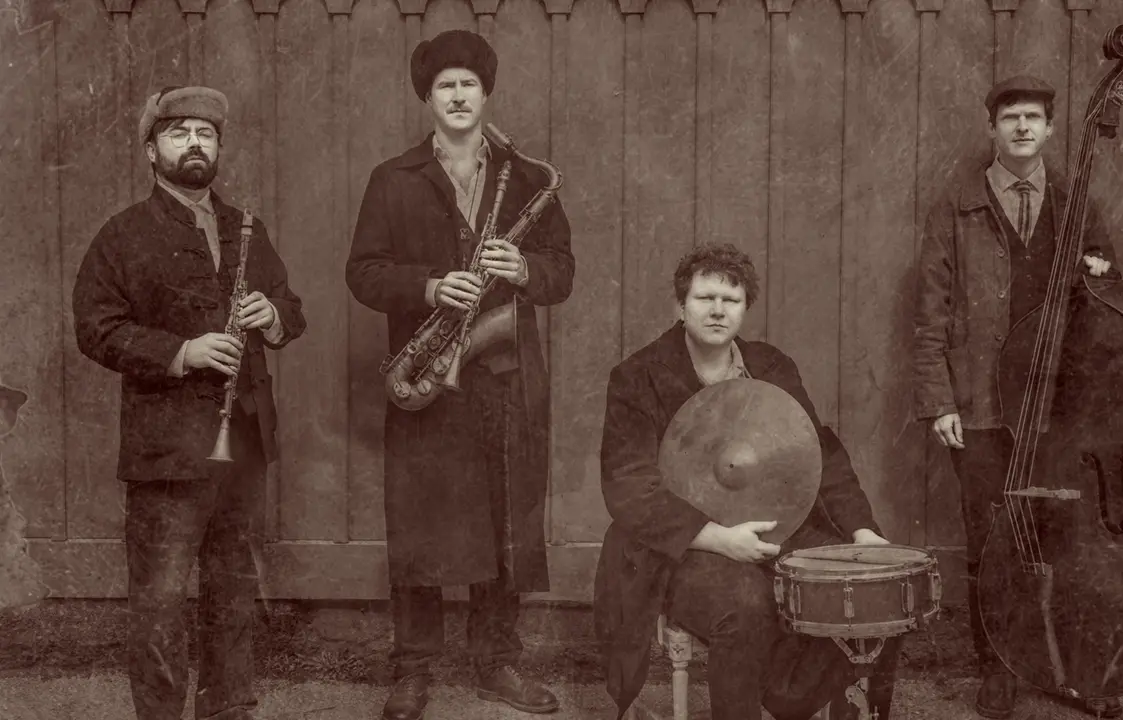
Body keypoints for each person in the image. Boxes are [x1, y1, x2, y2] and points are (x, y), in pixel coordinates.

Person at [345, 29, 575, 719]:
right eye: (444, 85)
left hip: (504, 378)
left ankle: (495, 662)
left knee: (503, 526)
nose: (456, 95)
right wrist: (427, 288)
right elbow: (362, 273)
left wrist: (525, 270)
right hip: (429, 374)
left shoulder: (529, 178)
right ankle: (412, 669)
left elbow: (563, 270)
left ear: (486, 93)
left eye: (467, 84)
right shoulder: (393, 178)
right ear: (428, 99)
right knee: (420, 528)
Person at [72, 85, 306, 720]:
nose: (194, 144)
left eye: (205, 134)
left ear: (219, 149)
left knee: (233, 594)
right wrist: (183, 352)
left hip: (242, 447)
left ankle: (229, 711)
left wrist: (273, 315)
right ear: (151, 151)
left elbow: (293, 309)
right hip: (166, 453)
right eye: (178, 134)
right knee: (160, 603)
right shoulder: (122, 235)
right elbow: (96, 328)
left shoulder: (245, 229)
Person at [595, 243, 903, 720]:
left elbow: (819, 456)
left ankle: (790, 698)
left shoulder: (773, 367)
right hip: (682, 545)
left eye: (731, 300)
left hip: (781, 525)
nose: (718, 310)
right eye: (705, 298)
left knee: (868, 587)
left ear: (745, 307)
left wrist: (862, 531)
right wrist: (718, 539)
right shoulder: (638, 376)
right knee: (746, 604)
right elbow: (629, 486)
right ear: (681, 304)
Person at [910, 75, 1123, 720]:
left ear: (1052, 129)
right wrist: (938, 400)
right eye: (1011, 118)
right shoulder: (956, 204)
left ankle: (1073, 669)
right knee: (991, 539)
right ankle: (997, 667)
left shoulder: (1075, 202)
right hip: (978, 404)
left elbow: (1112, 304)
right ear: (992, 130)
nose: (1023, 128)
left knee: (1069, 538)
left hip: (1060, 408)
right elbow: (930, 314)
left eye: (1034, 117)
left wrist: (1098, 277)